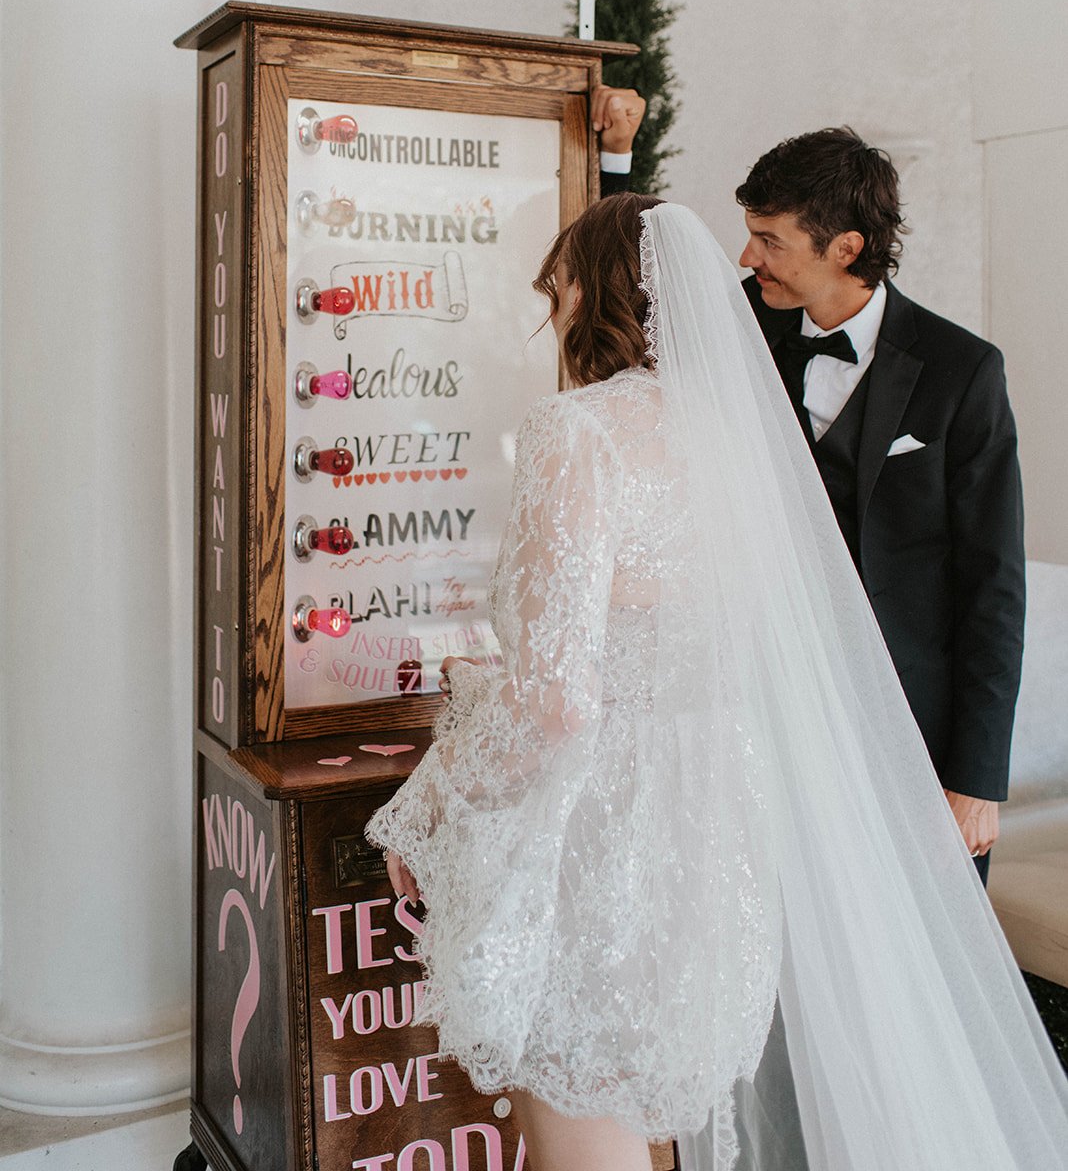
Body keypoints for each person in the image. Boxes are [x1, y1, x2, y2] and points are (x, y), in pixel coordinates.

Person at [367, 196, 1068, 1171]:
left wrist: (431, 797)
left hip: (607, 841)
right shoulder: (750, 446)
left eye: (559, 285)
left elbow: (559, 698)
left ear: (600, 293)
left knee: (583, 1123)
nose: (551, 309)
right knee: (659, 1125)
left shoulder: (580, 432)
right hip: (720, 847)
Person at [735, 128, 1025, 883]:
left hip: (909, 727)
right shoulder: (729, 329)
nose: (747, 258)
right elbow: (612, 292)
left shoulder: (963, 371)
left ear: (844, 247)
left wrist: (977, 779)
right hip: (762, 718)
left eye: (769, 240)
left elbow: (994, 586)